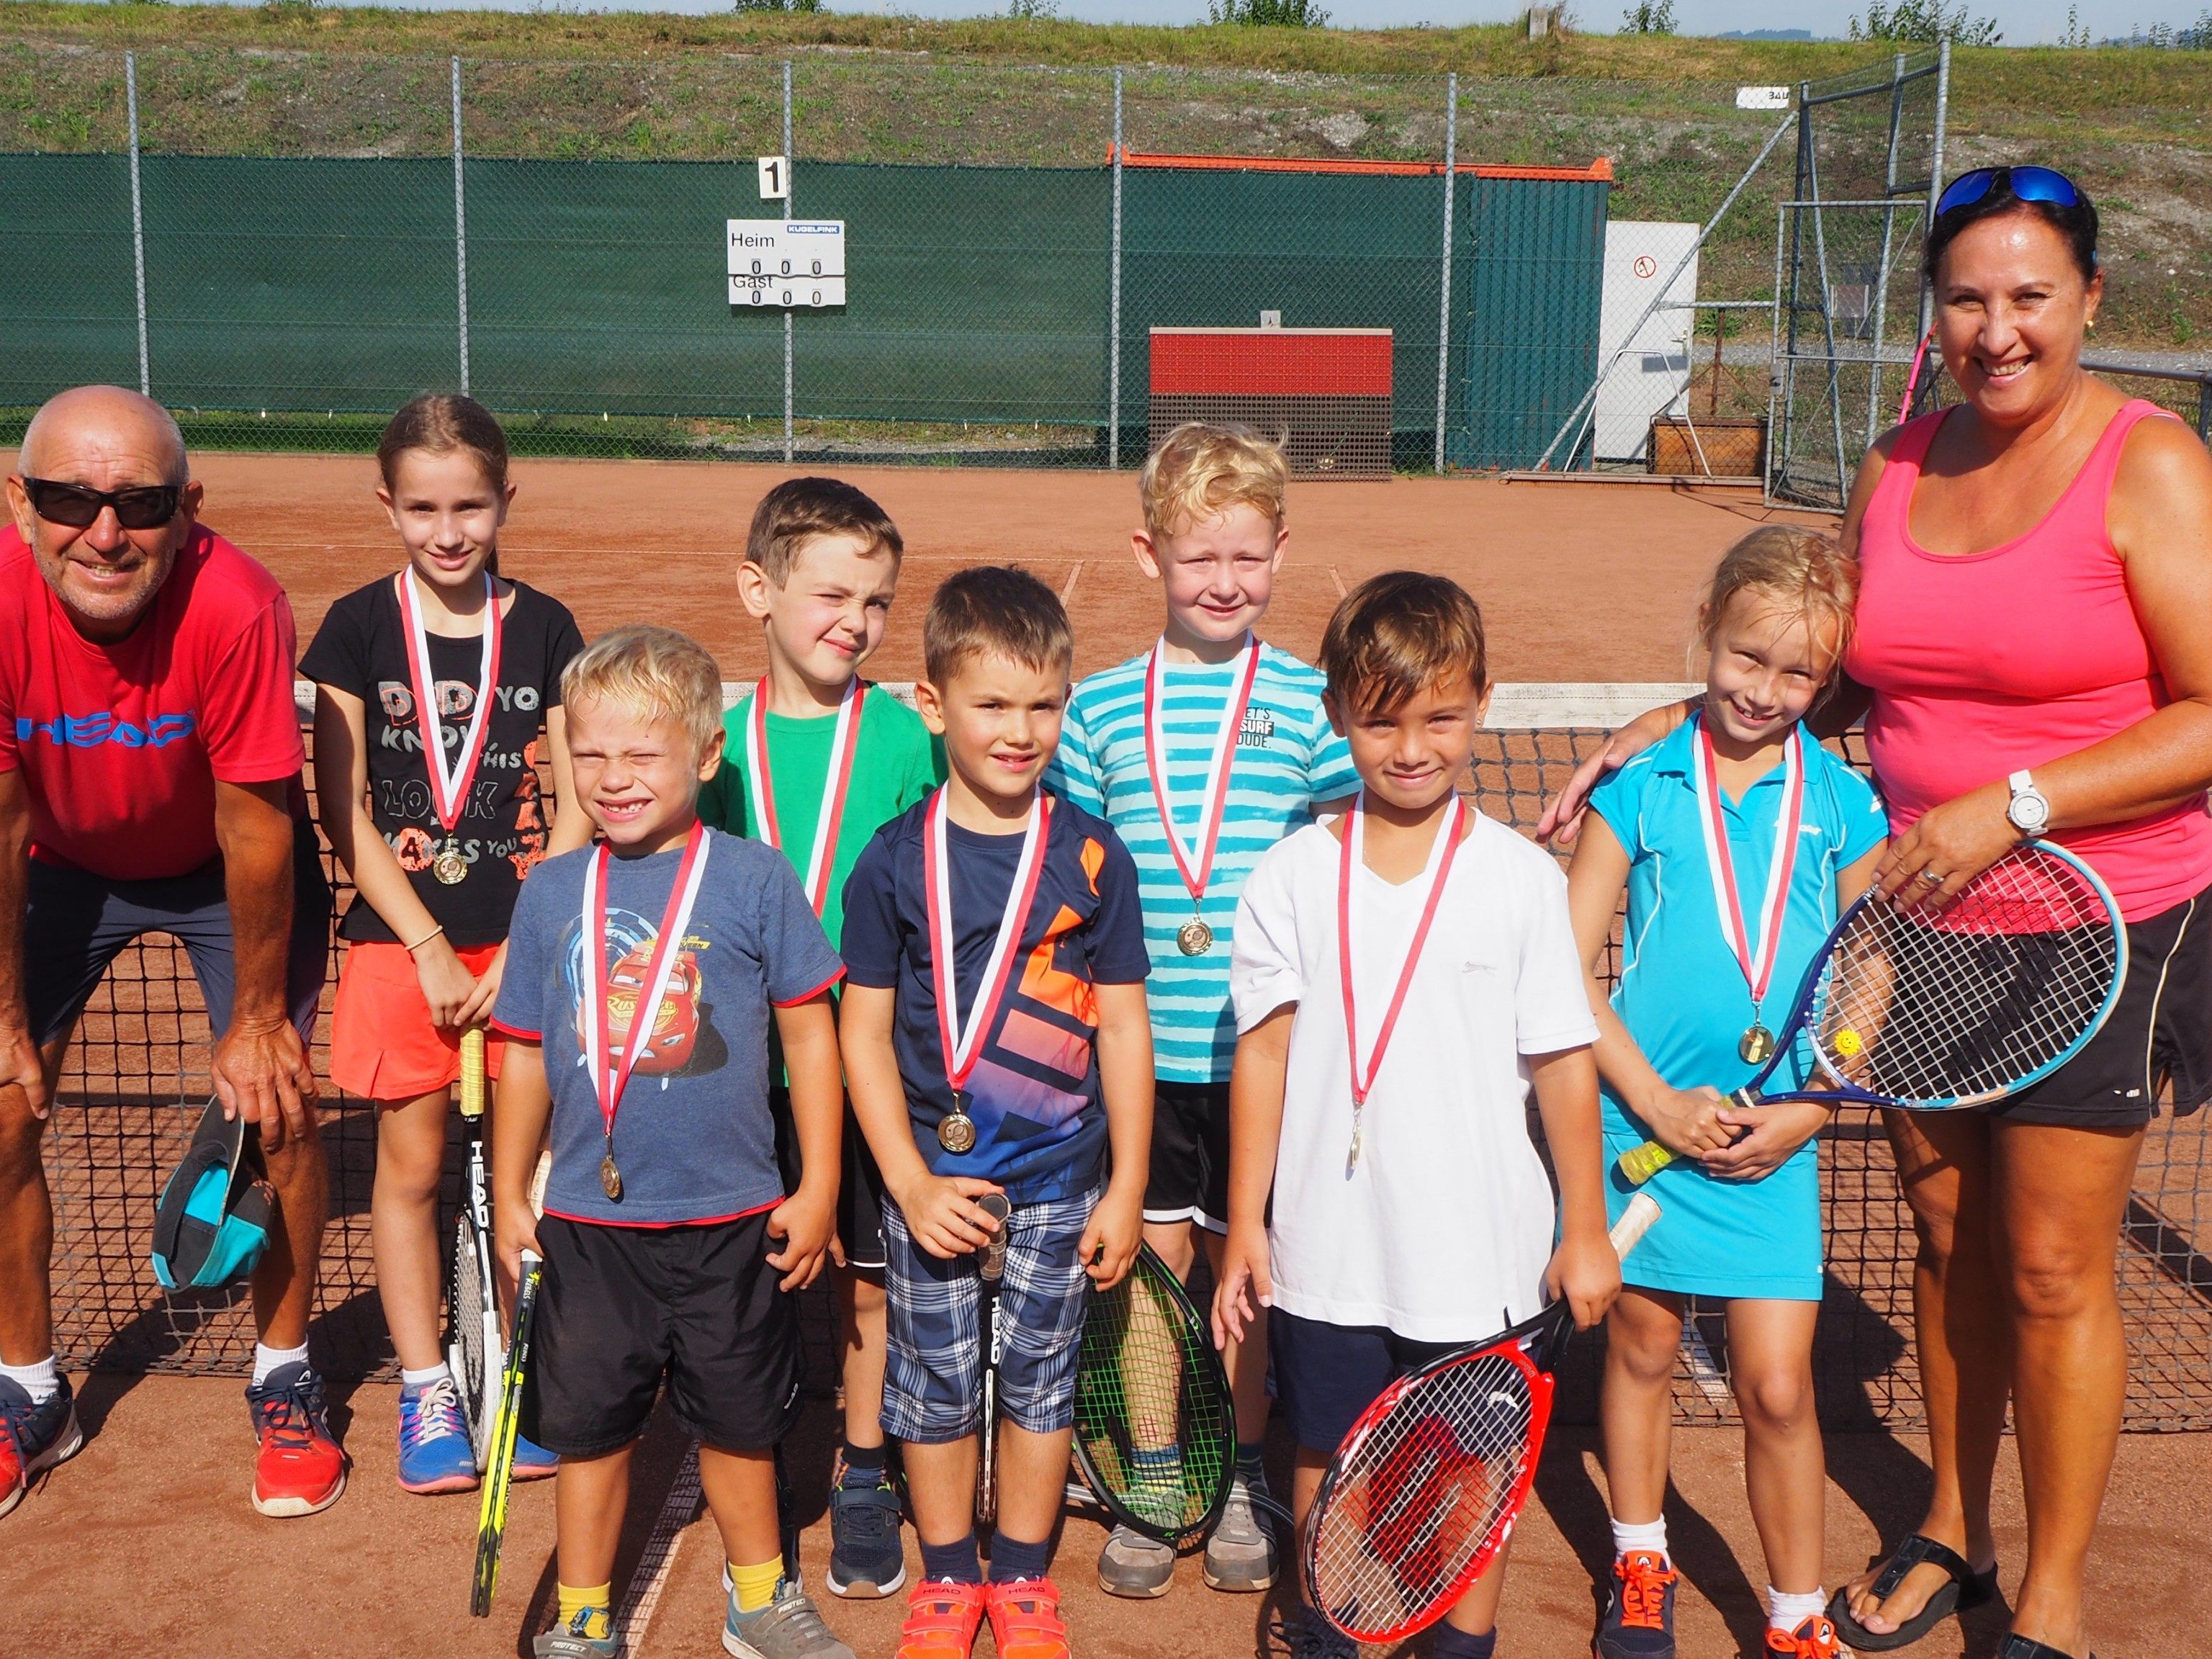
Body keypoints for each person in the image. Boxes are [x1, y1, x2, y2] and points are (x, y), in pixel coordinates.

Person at [1537, 166, 2212, 1659]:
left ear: (2090, 301)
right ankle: (1952, 1533)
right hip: (1915, 923)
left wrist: (2017, 805)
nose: (1997, 328)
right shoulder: (1901, 462)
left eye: (2030, 295)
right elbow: (1837, 670)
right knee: (1946, 1236)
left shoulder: (2151, 465)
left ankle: (2053, 1599)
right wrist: (1676, 718)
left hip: (2100, 924)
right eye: (1968, 298)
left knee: (2049, 1269)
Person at [1213, 572, 1621, 1659]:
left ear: (1482, 703)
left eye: (1440, 717)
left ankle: (1460, 1647)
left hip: (1479, 1254)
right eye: (1380, 720)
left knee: (1471, 1465)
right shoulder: (1292, 874)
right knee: (1326, 1449)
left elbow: (1565, 1065)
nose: (1411, 747)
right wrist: (1246, 1222)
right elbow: (1264, 1053)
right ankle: (1330, 1626)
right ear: (1338, 715)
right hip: (1328, 1246)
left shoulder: (1523, 882)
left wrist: (1583, 1226)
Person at [0, 385, 339, 1520]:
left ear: (188, 508)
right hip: (59, 865)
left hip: (216, 867)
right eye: (67, 500)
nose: (103, 533)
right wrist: (5, 1015)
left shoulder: (237, 604)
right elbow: (0, 822)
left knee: (282, 1106)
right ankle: (31, 1392)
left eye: (139, 503)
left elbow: (255, 826)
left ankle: (287, 1376)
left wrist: (254, 1024)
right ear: (19, 501)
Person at [488, 626, 853, 1659]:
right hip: (590, 1224)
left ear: (704, 756)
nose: (613, 778)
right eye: (592, 755)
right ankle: (586, 1612)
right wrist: (514, 1186)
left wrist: (817, 1181)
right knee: (592, 1429)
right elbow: (521, 1054)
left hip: (733, 1215)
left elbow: (807, 1038)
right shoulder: (553, 892)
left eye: (641, 755)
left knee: (742, 1423)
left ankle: (759, 1597)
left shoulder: (753, 879)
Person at [1046, 422, 1357, 1599]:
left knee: (1247, 1265)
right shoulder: (1100, 711)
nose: (1224, 584)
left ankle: (1235, 1476)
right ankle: (1160, 1467)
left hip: (1269, 1060)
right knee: (1151, 1266)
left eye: (1246, 558)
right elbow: (1073, 868)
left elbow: (1346, 853)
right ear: (1148, 555)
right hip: (1140, 1058)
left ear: (1280, 549)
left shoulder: (1317, 703)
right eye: (1197, 561)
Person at [1564, 528, 1887, 1659]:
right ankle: (1640, 1560)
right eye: (1747, 658)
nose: (1766, 690)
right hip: (1641, 1126)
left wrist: (1812, 1105)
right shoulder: (1643, 785)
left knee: (1779, 1387)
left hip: (1773, 1142)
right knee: (1641, 1353)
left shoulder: (1844, 800)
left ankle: (1797, 1616)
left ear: (1830, 679)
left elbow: (1870, 966)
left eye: (1799, 674)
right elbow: (1566, 967)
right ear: (1708, 637)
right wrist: (1651, 1103)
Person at [838, 567, 1153, 1659]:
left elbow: (1122, 1028)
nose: (1020, 731)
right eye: (992, 704)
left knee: (1039, 1376)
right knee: (929, 1384)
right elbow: (863, 1035)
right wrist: (909, 1181)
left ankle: (1020, 1577)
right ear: (933, 705)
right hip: (932, 1181)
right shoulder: (890, 863)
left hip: (1063, 1175)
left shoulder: (1096, 855)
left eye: (1043, 706)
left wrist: (1127, 1185)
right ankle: (947, 1578)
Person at [302, 395, 593, 1495]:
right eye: (422, 508)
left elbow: (569, 795)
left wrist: (527, 937)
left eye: (470, 504)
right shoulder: (355, 629)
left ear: (505, 499)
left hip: (525, 946)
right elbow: (345, 810)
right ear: (388, 505)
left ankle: (527, 1378)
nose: (449, 530)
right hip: (399, 948)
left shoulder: (550, 626)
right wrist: (425, 942)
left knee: (528, 1175)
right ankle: (427, 1391)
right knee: (412, 1172)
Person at [697, 475, 941, 1598]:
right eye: (832, 593)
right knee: (746, 1274)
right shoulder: (712, 745)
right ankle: (752, 1443)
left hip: (868, 1066)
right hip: (742, 1071)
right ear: (758, 589)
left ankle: (860, 1468)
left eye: (880, 601)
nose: (857, 619)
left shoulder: (903, 735)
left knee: (868, 1278)